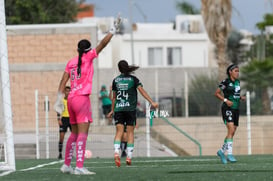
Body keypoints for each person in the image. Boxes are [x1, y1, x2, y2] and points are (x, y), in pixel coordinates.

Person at [54, 16, 121, 175]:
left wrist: (58, 99)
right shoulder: (88, 57)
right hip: (81, 99)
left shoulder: (70, 62)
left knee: (74, 133)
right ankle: (79, 166)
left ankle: (66, 165)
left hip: (70, 100)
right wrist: (112, 30)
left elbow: (63, 80)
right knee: (83, 134)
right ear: (87, 50)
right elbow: (103, 44)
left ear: (77, 49)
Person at [107, 60, 158, 167]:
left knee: (119, 132)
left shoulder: (115, 80)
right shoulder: (133, 79)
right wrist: (151, 102)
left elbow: (114, 98)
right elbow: (142, 91)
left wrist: (112, 110)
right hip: (130, 109)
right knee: (130, 133)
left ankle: (116, 152)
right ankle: (129, 157)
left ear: (119, 69)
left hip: (119, 109)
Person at [214, 64, 245, 164]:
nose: (237, 73)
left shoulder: (238, 82)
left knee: (232, 132)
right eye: (236, 71)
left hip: (236, 109)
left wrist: (240, 98)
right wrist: (226, 100)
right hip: (227, 108)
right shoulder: (225, 82)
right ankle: (230, 154)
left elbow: (235, 94)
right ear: (230, 72)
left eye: (238, 71)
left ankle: (221, 152)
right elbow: (217, 93)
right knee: (231, 129)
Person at [57, 86, 71, 159]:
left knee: (74, 137)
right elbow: (58, 110)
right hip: (64, 119)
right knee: (61, 137)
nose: (68, 93)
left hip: (72, 119)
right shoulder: (62, 101)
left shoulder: (72, 100)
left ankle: (71, 154)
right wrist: (59, 119)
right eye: (66, 91)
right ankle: (60, 153)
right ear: (64, 92)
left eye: (69, 91)